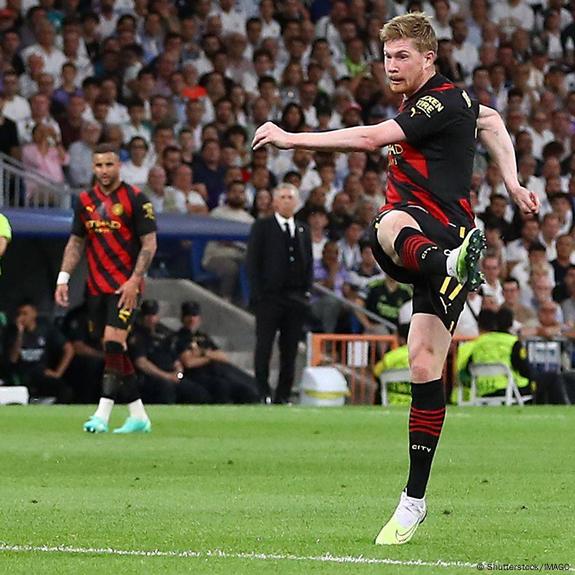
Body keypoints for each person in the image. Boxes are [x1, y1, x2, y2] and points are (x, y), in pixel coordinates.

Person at [252, 12, 539, 544]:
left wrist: (292, 139)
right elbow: (494, 122)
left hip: (433, 230)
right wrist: (515, 184)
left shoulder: (436, 101)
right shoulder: (456, 103)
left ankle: (413, 499)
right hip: (448, 247)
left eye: (402, 55)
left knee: (421, 345)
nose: (392, 65)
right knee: (396, 250)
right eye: (387, 57)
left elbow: (369, 139)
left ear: (429, 58)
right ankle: (447, 263)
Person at [54, 143, 158, 434]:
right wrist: (63, 277)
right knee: (114, 349)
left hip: (126, 286)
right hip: (96, 287)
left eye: (109, 165)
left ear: (119, 166)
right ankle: (138, 415)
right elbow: (76, 242)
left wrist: (134, 280)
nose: (103, 171)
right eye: (98, 165)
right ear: (93, 167)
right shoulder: (85, 201)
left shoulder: (137, 199)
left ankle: (102, 414)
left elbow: (149, 244)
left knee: (113, 342)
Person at [246, 183, 313, 404]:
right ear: (275, 202)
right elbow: (253, 263)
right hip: (269, 298)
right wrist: (257, 295)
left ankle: (283, 394)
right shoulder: (262, 227)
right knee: (264, 346)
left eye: (290, 197)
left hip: (295, 299)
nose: (286, 201)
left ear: (296, 202)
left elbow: (308, 263)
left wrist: (306, 293)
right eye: (282, 197)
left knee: (290, 349)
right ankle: (262, 391)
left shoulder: (303, 229)